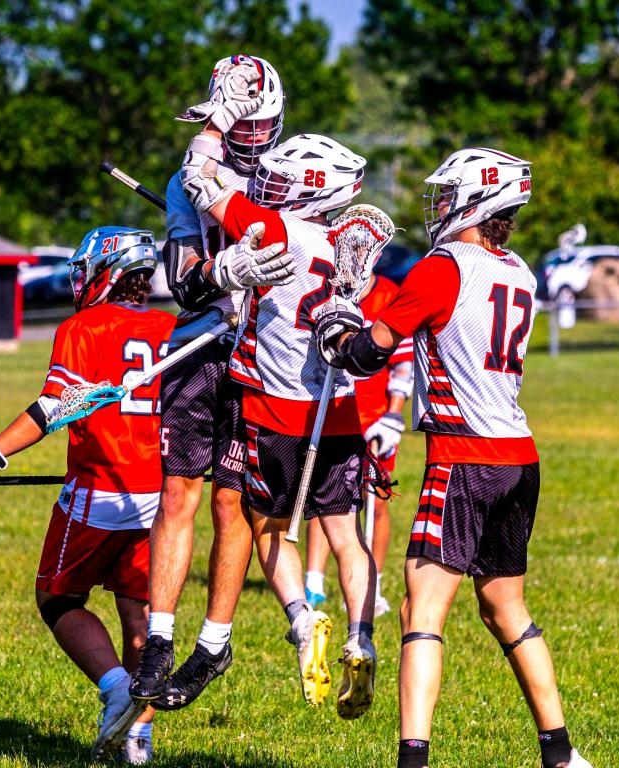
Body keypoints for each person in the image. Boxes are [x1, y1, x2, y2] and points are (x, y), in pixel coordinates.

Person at [315, 148, 593, 768]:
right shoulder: (519, 270)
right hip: (520, 458)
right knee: (506, 608)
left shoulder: (442, 268)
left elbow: (365, 353)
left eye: (448, 197)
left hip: (463, 459)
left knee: (421, 609)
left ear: (476, 202)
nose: (438, 207)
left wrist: (335, 320)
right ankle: (561, 753)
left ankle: (412, 759)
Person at [174, 83, 379, 719]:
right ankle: (360, 636)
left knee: (266, 530)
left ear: (308, 193)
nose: (271, 187)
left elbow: (196, 176)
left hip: (274, 409)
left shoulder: (268, 226)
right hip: (338, 410)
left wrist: (218, 119)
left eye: (286, 183)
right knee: (347, 536)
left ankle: (301, 620)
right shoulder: (351, 249)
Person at [0, 228, 176, 764]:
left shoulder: (84, 326)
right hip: (162, 499)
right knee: (140, 615)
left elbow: (57, 405)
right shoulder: (175, 328)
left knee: (59, 600)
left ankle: (116, 689)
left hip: (99, 492)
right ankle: (138, 739)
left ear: (108, 271)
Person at [130, 54, 294, 711]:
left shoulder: (291, 175)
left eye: (261, 123)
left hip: (265, 346)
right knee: (179, 491)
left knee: (236, 502)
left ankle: (215, 641)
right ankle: (160, 638)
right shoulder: (186, 180)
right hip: (201, 339)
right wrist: (223, 271)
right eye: (240, 123)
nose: (251, 137)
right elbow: (181, 276)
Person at [305, 273, 414, 617]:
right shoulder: (328, 288)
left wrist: (394, 415)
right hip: (334, 408)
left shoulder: (387, 294)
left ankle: (374, 583)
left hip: (376, 415)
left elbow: (403, 364)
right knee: (324, 498)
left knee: (377, 501)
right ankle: (314, 582)